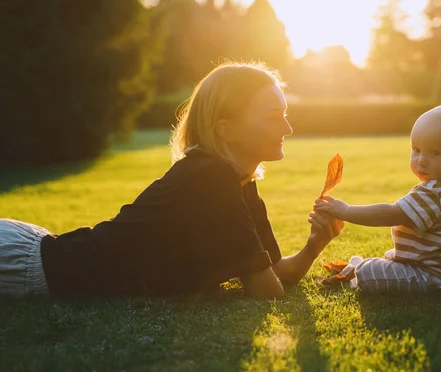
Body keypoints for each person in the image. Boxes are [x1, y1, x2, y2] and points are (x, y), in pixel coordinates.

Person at [0, 62, 343, 299]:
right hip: (29, 266)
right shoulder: (210, 177)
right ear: (226, 128)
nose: (288, 128)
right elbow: (266, 290)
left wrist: (315, 244)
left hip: (39, 253)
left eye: (285, 115)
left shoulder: (240, 182)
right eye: (273, 117)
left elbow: (274, 273)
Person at [314, 103, 441, 293]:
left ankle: (356, 272)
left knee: (368, 274)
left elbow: (390, 214)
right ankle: (360, 267)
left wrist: (345, 211)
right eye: (416, 150)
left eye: (435, 153)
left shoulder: (434, 193)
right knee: (386, 263)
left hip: (434, 275)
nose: (421, 160)